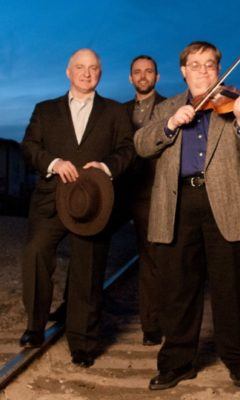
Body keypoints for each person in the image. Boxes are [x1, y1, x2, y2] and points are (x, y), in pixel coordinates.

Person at [134, 41, 240, 390]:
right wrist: (170, 125)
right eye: (195, 65)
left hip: (230, 201)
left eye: (209, 64)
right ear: (183, 71)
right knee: (178, 288)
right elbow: (142, 144)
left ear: (218, 69)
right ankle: (177, 363)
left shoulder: (236, 101)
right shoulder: (165, 107)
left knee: (235, 287)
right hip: (180, 201)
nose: (202, 71)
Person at [20, 48, 134, 367]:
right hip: (51, 200)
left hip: (92, 204)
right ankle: (35, 326)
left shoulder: (115, 112)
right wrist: (53, 162)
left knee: (88, 269)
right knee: (35, 254)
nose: (86, 73)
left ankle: (83, 342)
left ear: (100, 73)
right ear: (68, 72)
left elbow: (128, 149)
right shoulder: (45, 110)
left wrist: (106, 167)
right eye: (80, 67)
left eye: (93, 67)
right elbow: (29, 147)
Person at [124, 55, 165, 345]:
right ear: (130, 78)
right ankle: (71, 311)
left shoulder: (169, 107)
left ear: (157, 77)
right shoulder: (118, 110)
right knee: (88, 246)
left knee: (151, 258)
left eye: (148, 71)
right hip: (119, 190)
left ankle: (151, 325)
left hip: (151, 192)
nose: (143, 76)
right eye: (137, 72)